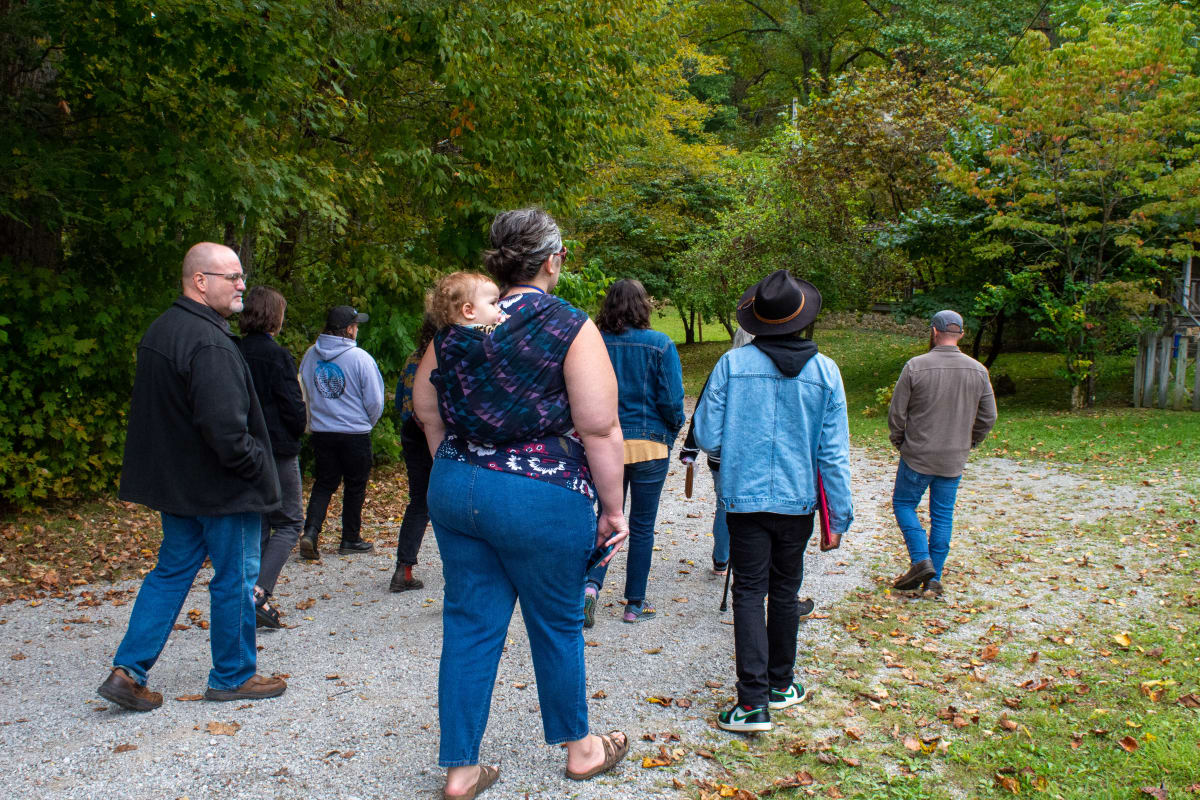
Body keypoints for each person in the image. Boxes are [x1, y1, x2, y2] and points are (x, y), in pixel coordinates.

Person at [413, 208, 630, 798]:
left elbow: (425, 407)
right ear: (551, 259)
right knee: (557, 621)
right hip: (541, 493)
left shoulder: (458, 321)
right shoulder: (566, 324)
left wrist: (453, 464)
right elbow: (600, 426)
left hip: (458, 485)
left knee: (469, 623)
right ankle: (581, 750)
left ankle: (461, 771)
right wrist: (613, 509)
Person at [97, 242, 286, 711]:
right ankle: (233, 676)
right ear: (200, 281)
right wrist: (258, 468)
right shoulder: (208, 342)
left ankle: (127, 671)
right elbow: (225, 431)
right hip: (221, 489)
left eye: (242, 276)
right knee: (235, 580)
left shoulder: (164, 329)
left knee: (170, 574)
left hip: (181, 486)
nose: (242, 285)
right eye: (232, 277)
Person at [694, 269, 853, 734]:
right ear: (802, 320)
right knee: (784, 590)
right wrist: (837, 516)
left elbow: (704, 433)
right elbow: (834, 453)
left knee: (748, 591)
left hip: (743, 502)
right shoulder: (826, 373)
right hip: (798, 503)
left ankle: (752, 703)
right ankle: (781, 685)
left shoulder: (732, 365)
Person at [582, 279, 684, 627]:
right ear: (643, 306)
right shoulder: (660, 344)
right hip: (649, 444)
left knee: (605, 517)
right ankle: (634, 604)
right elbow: (671, 400)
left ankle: (590, 587)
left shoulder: (593, 343)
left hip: (603, 445)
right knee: (642, 526)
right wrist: (670, 432)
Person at [887, 310, 997, 596]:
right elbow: (989, 416)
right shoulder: (978, 371)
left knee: (903, 504)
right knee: (943, 516)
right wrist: (970, 441)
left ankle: (921, 559)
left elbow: (897, 413)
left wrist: (900, 441)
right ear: (961, 334)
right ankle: (934, 579)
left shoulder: (915, 366)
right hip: (953, 457)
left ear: (934, 332)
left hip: (917, 454)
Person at [236, 286, 307, 627]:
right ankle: (258, 591)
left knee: (260, 521)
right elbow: (293, 405)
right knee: (291, 521)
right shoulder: (277, 356)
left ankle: (249, 592)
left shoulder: (232, 350)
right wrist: (297, 430)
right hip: (276, 447)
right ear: (274, 317)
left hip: (243, 446)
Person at [298, 305, 385, 560]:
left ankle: (311, 533)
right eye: (356, 325)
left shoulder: (311, 356)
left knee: (324, 483)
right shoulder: (360, 358)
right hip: (354, 432)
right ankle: (350, 538)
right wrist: (366, 422)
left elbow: (304, 391)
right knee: (355, 485)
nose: (357, 329)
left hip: (322, 431)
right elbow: (375, 400)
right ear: (348, 329)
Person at [389, 314, 438, 593]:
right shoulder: (450, 356)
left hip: (411, 430)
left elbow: (399, 399)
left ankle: (403, 568)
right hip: (437, 432)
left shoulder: (412, 358)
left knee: (419, 500)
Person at [426, 271, 503, 331]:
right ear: (468, 311)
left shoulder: (447, 336)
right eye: (492, 303)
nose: (499, 309)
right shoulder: (483, 334)